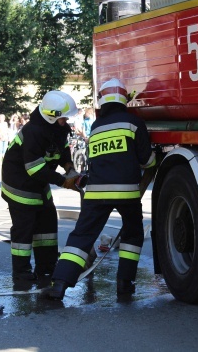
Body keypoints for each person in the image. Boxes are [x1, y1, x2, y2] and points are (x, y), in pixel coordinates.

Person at [42, 78, 156, 300]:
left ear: (102, 101)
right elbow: (146, 161)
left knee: (82, 236)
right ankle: (125, 284)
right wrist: (154, 159)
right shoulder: (134, 123)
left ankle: (60, 284)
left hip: (96, 192)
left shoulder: (96, 127)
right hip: (126, 193)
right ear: (124, 99)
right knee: (132, 233)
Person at [1, 90, 81, 284]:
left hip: (39, 184)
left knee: (47, 224)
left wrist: (68, 164)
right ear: (52, 116)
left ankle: (47, 266)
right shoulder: (33, 131)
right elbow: (34, 168)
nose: (67, 122)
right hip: (19, 184)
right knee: (24, 229)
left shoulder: (56, 128)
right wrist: (63, 181)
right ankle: (21, 272)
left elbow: (61, 149)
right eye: (64, 118)